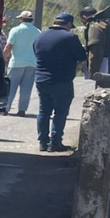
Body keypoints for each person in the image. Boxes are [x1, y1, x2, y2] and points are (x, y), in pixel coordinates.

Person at [33, 13, 87, 153]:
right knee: (60, 112)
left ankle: (43, 142)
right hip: (61, 80)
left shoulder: (40, 36)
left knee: (43, 112)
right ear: (68, 24)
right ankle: (55, 143)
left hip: (41, 79)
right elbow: (81, 56)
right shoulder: (70, 37)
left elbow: (36, 53)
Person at [3, 10, 40, 116]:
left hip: (16, 62)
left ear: (21, 19)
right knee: (26, 88)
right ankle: (22, 110)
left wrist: (4, 57)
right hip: (32, 62)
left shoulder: (15, 30)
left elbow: (9, 46)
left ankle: (6, 108)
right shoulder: (37, 31)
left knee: (11, 87)